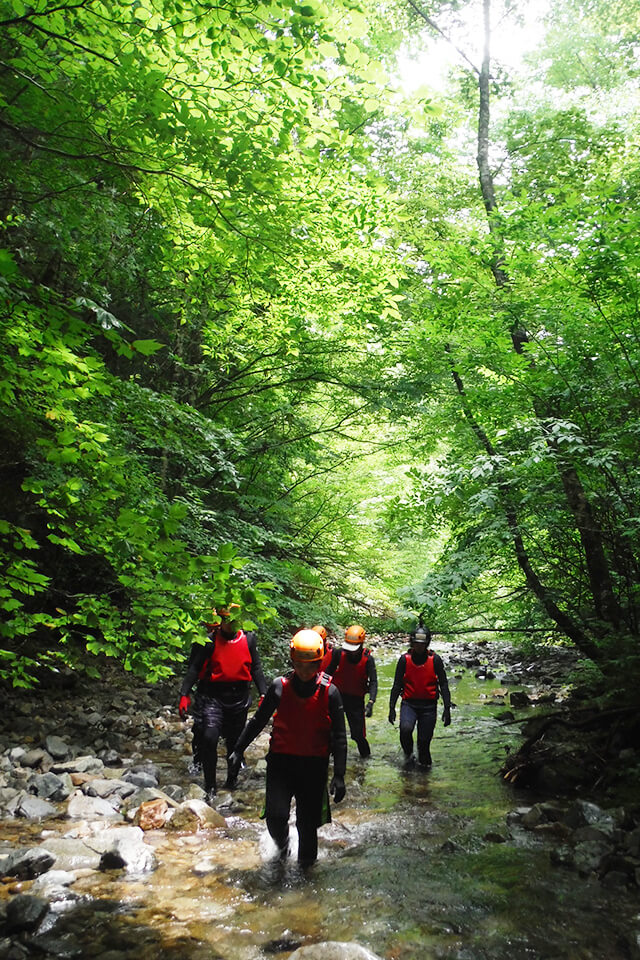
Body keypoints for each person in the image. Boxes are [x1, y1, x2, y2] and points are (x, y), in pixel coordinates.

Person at [227, 628, 347, 868]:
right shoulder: (279, 687)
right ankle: (282, 847)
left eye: (311, 665)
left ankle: (306, 880)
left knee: (307, 825)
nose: (305, 671)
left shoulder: (330, 692)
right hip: (281, 764)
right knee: (276, 816)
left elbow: (340, 737)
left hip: (314, 767)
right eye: (300, 665)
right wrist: (238, 749)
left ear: (320, 662)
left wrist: (340, 775)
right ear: (292, 661)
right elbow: (258, 720)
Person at [178, 606, 268, 802]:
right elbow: (194, 669)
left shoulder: (249, 639)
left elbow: (256, 668)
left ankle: (232, 781)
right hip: (213, 697)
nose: (231, 624)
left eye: (234, 620)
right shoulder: (209, 641)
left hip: (239, 698)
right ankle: (210, 787)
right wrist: (184, 694)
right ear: (220, 620)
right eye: (227, 620)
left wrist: (264, 693)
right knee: (209, 738)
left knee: (235, 744)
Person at [388, 625, 451, 769]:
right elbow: (397, 685)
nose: (419, 647)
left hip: (428, 707)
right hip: (409, 704)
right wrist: (391, 707)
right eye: (416, 643)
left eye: (422, 644)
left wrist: (447, 709)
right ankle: (408, 754)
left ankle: (425, 782)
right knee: (405, 729)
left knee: (424, 745)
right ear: (412, 643)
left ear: (427, 644)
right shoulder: (404, 660)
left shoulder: (435, 660)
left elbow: (444, 685)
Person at [324, 624, 377, 758]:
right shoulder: (338, 653)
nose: (351, 651)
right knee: (331, 732)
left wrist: (370, 702)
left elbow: (373, 682)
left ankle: (365, 762)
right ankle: (328, 760)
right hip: (337, 698)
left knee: (358, 735)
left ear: (361, 644)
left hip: (356, 701)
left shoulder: (368, 659)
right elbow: (328, 672)